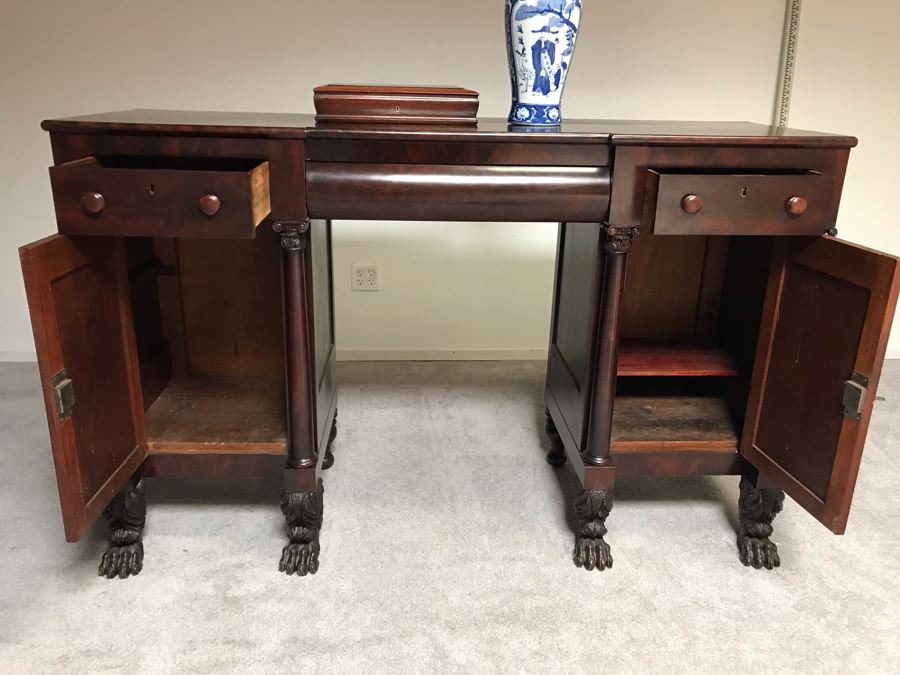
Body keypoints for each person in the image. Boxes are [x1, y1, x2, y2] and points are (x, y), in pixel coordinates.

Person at [531, 31, 557, 95]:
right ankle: (537, 88)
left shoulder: (551, 44)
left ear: (548, 34)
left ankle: (546, 90)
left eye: (544, 33)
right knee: (538, 76)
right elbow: (534, 57)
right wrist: (537, 67)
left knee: (546, 77)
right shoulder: (536, 44)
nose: (542, 35)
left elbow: (552, 58)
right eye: (541, 33)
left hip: (547, 67)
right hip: (538, 67)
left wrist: (546, 63)